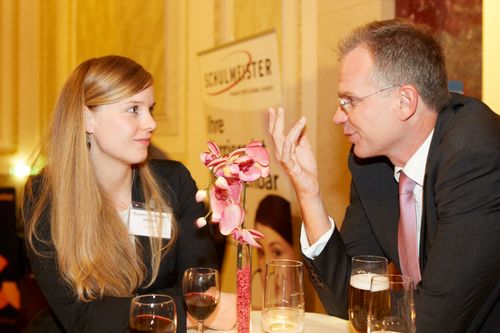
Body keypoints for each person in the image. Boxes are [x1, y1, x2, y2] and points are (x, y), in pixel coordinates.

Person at [268, 19, 500, 332]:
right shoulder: (370, 164)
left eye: (350, 100)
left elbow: (436, 321)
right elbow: (348, 303)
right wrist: (309, 194)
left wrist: (374, 310)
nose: (338, 117)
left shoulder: (476, 154)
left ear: (405, 102)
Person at [22, 55, 235, 332]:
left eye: (150, 108)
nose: (151, 123)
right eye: (133, 109)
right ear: (87, 119)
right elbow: (83, 319)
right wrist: (187, 313)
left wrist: (119, 310)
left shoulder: (174, 182)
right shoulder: (45, 197)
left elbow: (201, 288)